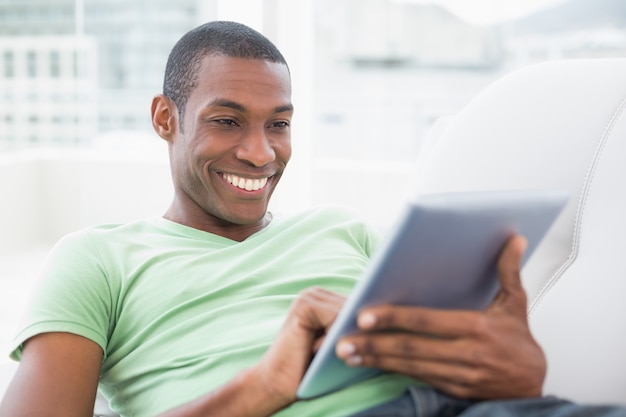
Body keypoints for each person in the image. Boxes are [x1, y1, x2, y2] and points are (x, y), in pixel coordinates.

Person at [0, 20, 624, 417]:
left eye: (279, 124)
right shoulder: (97, 258)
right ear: (166, 118)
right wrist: (262, 388)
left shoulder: (346, 230)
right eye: (227, 120)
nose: (260, 153)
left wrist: (517, 371)